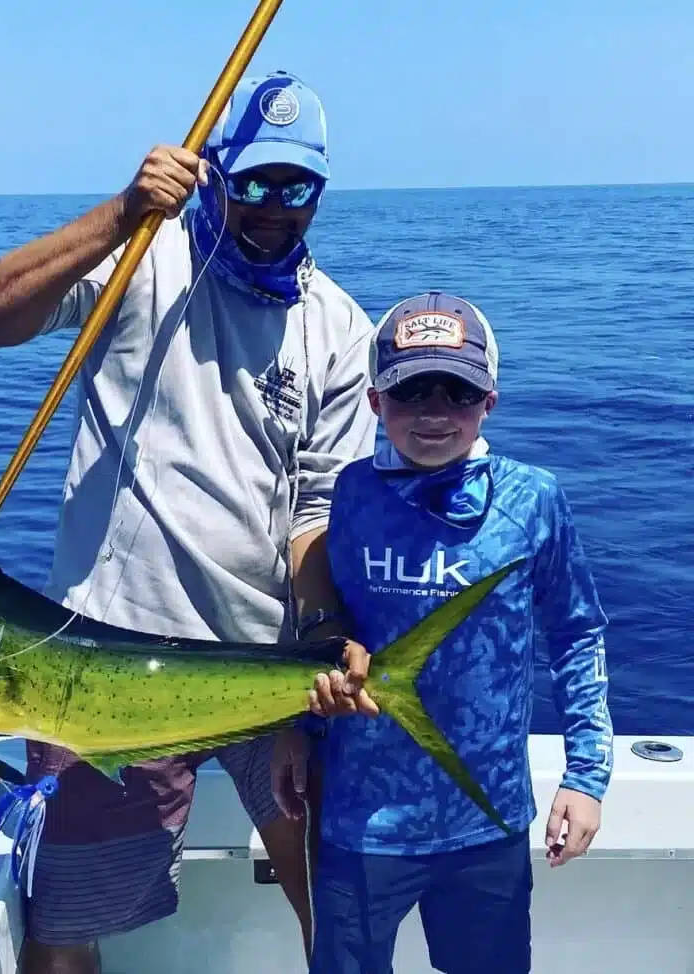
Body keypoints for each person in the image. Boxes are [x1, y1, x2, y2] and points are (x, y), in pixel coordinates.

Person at [0, 70, 378, 974]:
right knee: (64, 923)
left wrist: (329, 630)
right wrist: (122, 209)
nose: (273, 206)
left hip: (260, 664)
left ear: (320, 193)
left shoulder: (339, 326)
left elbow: (315, 514)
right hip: (103, 664)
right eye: (255, 182)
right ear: (215, 172)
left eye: (296, 187)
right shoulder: (141, 259)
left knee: (336, 896)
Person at [271, 290, 614, 974]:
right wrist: (294, 727)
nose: (433, 414)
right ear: (374, 403)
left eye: (455, 393)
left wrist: (587, 775)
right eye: (409, 393)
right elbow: (326, 635)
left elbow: (576, 633)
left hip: (486, 820)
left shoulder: (534, 498)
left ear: (489, 400)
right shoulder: (353, 493)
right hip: (359, 820)